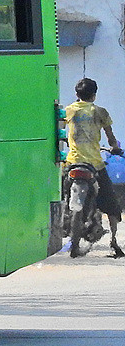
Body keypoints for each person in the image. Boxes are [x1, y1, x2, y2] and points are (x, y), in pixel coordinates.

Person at [64, 77, 123, 243]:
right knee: (111, 204)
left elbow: (61, 133)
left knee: (62, 195)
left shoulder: (68, 111)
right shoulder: (100, 112)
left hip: (72, 163)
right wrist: (115, 148)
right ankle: (113, 241)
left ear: (77, 94)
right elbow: (111, 137)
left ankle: (63, 218)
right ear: (94, 96)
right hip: (94, 164)